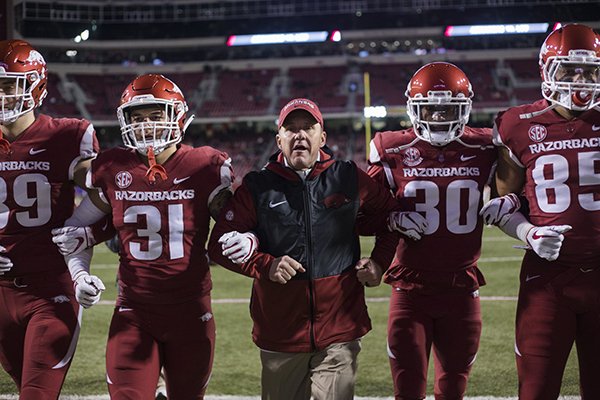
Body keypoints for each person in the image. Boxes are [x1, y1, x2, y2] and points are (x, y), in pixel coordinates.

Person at [51, 73, 234, 399]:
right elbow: (73, 233)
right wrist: (79, 276)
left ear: (177, 116)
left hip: (191, 312)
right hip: (133, 312)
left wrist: (243, 239)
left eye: (155, 116)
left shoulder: (204, 165)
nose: (146, 125)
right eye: (138, 118)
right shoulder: (113, 167)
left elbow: (239, 225)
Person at [207, 97, 399, 400]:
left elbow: (391, 214)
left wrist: (379, 263)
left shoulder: (347, 177)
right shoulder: (258, 186)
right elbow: (218, 245)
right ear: (279, 139)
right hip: (280, 333)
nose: (300, 135)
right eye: (291, 129)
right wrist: (264, 264)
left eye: (307, 128)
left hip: (339, 328)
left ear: (321, 137)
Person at [479, 23, 600, 399]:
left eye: (590, 69)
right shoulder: (517, 124)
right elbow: (504, 202)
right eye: (568, 68)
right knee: (536, 389)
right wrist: (528, 233)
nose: (579, 78)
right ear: (547, 70)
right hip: (547, 280)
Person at [367, 62, 498, 400]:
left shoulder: (486, 148)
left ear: (465, 108)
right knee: (407, 388)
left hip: (461, 285)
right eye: (431, 108)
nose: (439, 117)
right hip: (411, 288)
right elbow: (364, 216)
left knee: (454, 387)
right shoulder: (391, 149)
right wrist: (392, 220)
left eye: (448, 109)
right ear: (414, 109)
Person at [0, 39, 99, 399]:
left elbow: (106, 193)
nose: (1, 94)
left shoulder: (66, 135)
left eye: (9, 84)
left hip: (50, 289)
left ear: (36, 85)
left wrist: (86, 239)